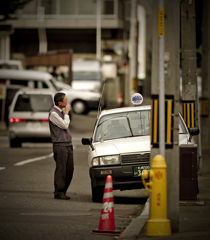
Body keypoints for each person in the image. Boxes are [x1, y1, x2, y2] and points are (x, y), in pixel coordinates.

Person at [49, 92, 74, 200]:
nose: (67, 102)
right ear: (59, 103)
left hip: (68, 145)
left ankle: (63, 191)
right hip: (60, 145)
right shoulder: (53, 113)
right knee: (61, 169)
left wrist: (65, 113)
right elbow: (64, 125)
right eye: (65, 100)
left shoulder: (61, 112)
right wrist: (67, 113)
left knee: (70, 169)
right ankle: (59, 192)